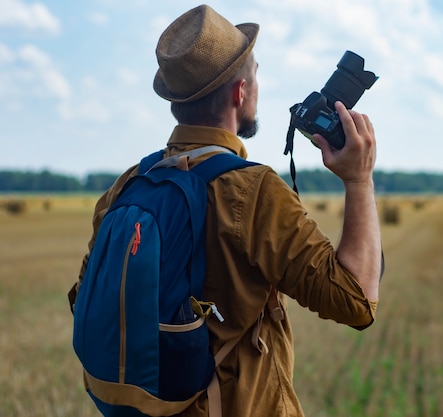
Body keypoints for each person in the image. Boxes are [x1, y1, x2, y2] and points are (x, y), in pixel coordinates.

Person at [76, 4, 382, 417]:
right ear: (241, 93)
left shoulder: (129, 182)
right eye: (255, 76)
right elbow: (356, 300)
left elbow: (84, 296)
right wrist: (359, 180)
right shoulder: (252, 190)